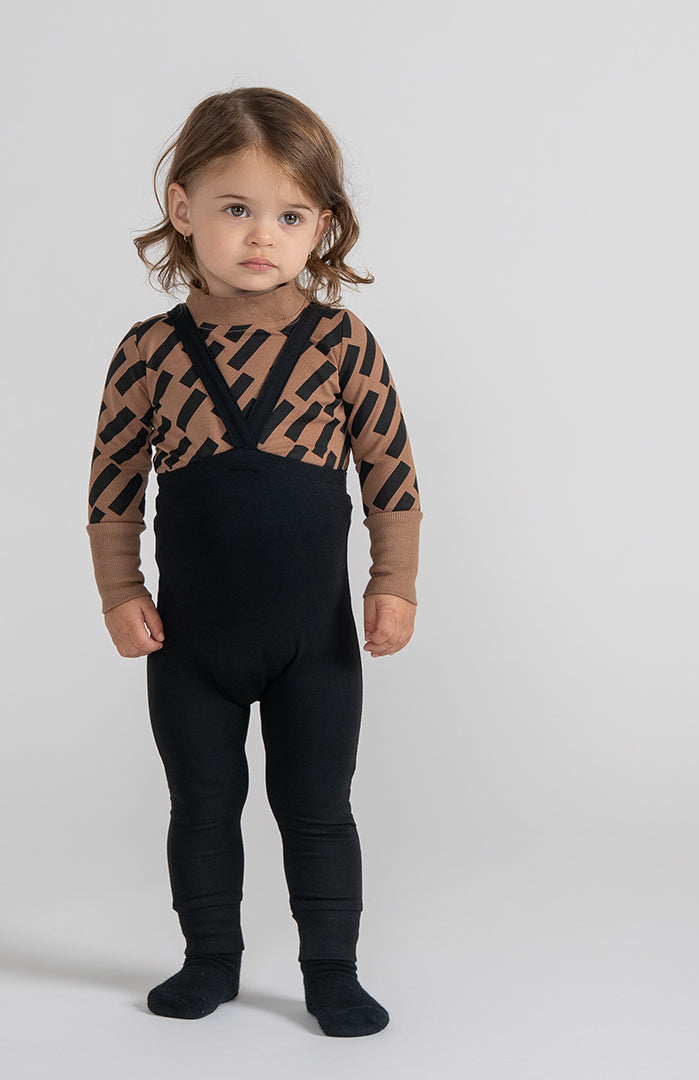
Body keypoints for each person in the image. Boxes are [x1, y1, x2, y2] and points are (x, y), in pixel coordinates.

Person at [86, 87, 422, 1038]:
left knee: (318, 808)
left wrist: (393, 584)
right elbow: (113, 486)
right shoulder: (149, 353)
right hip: (190, 644)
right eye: (236, 208)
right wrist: (119, 591)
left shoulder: (343, 344)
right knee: (201, 805)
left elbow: (391, 475)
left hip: (315, 644)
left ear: (324, 225)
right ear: (183, 208)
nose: (262, 236)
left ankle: (332, 973)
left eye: (291, 215)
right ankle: (210, 961)